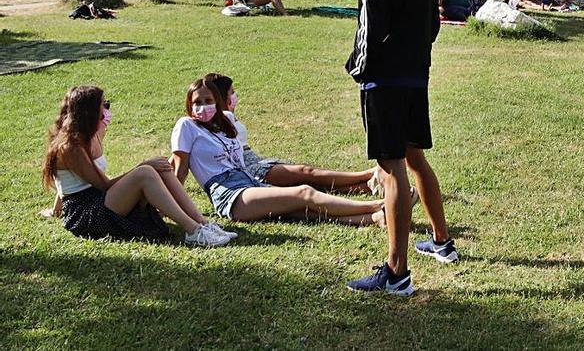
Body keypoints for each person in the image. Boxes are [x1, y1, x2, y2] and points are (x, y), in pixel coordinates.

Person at [340, 0, 457, 296]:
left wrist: (357, 68)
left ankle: (396, 272)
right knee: (414, 158)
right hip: (415, 76)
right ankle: (442, 241)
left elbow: (369, 28)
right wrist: (416, 58)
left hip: (384, 80)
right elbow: (434, 22)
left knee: (391, 171)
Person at [171, 77, 385, 227]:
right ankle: (378, 205)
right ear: (189, 105)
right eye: (197, 102)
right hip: (230, 195)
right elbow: (179, 171)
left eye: (208, 101)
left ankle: (373, 218)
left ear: (217, 103)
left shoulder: (225, 122)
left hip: (248, 182)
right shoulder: (187, 126)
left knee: (301, 210)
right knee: (304, 192)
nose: (202, 107)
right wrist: (174, 210)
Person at [42, 85, 234, 246]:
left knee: (158, 168)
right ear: (89, 111)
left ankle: (202, 223)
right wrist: (141, 166)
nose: (107, 110)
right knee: (145, 173)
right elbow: (103, 186)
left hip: (102, 201)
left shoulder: (94, 134)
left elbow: (66, 183)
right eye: (104, 105)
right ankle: (192, 231)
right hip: (86, 215)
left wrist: (56, 210)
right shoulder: (70, 148)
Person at [203, 73, 379, 194]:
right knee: (306, 172)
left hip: (255, 160)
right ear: (221, 97)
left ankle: (368, 186)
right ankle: (368, 175)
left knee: (308, 180)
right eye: (231, 92)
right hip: (250, 168)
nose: (235, 96)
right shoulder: (212, 121)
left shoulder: (227, 116)